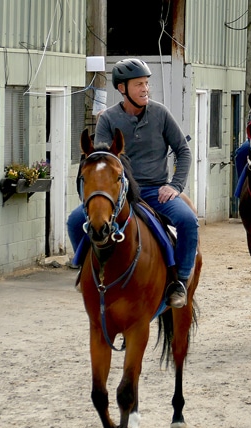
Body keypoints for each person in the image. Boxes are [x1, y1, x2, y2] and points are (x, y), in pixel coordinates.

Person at [67, 58, 196, 308]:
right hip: (121, 194)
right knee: (74, 221)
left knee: (188, 221)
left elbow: (183, 150)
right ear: (122, 89)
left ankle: (180, 280)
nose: (145, 88)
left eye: (146, 83)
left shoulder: (160, 113)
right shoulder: (108, 119)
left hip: (155, 192)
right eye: (139, 84)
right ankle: (86, 271)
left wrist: (175, 186)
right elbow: (100, 158)